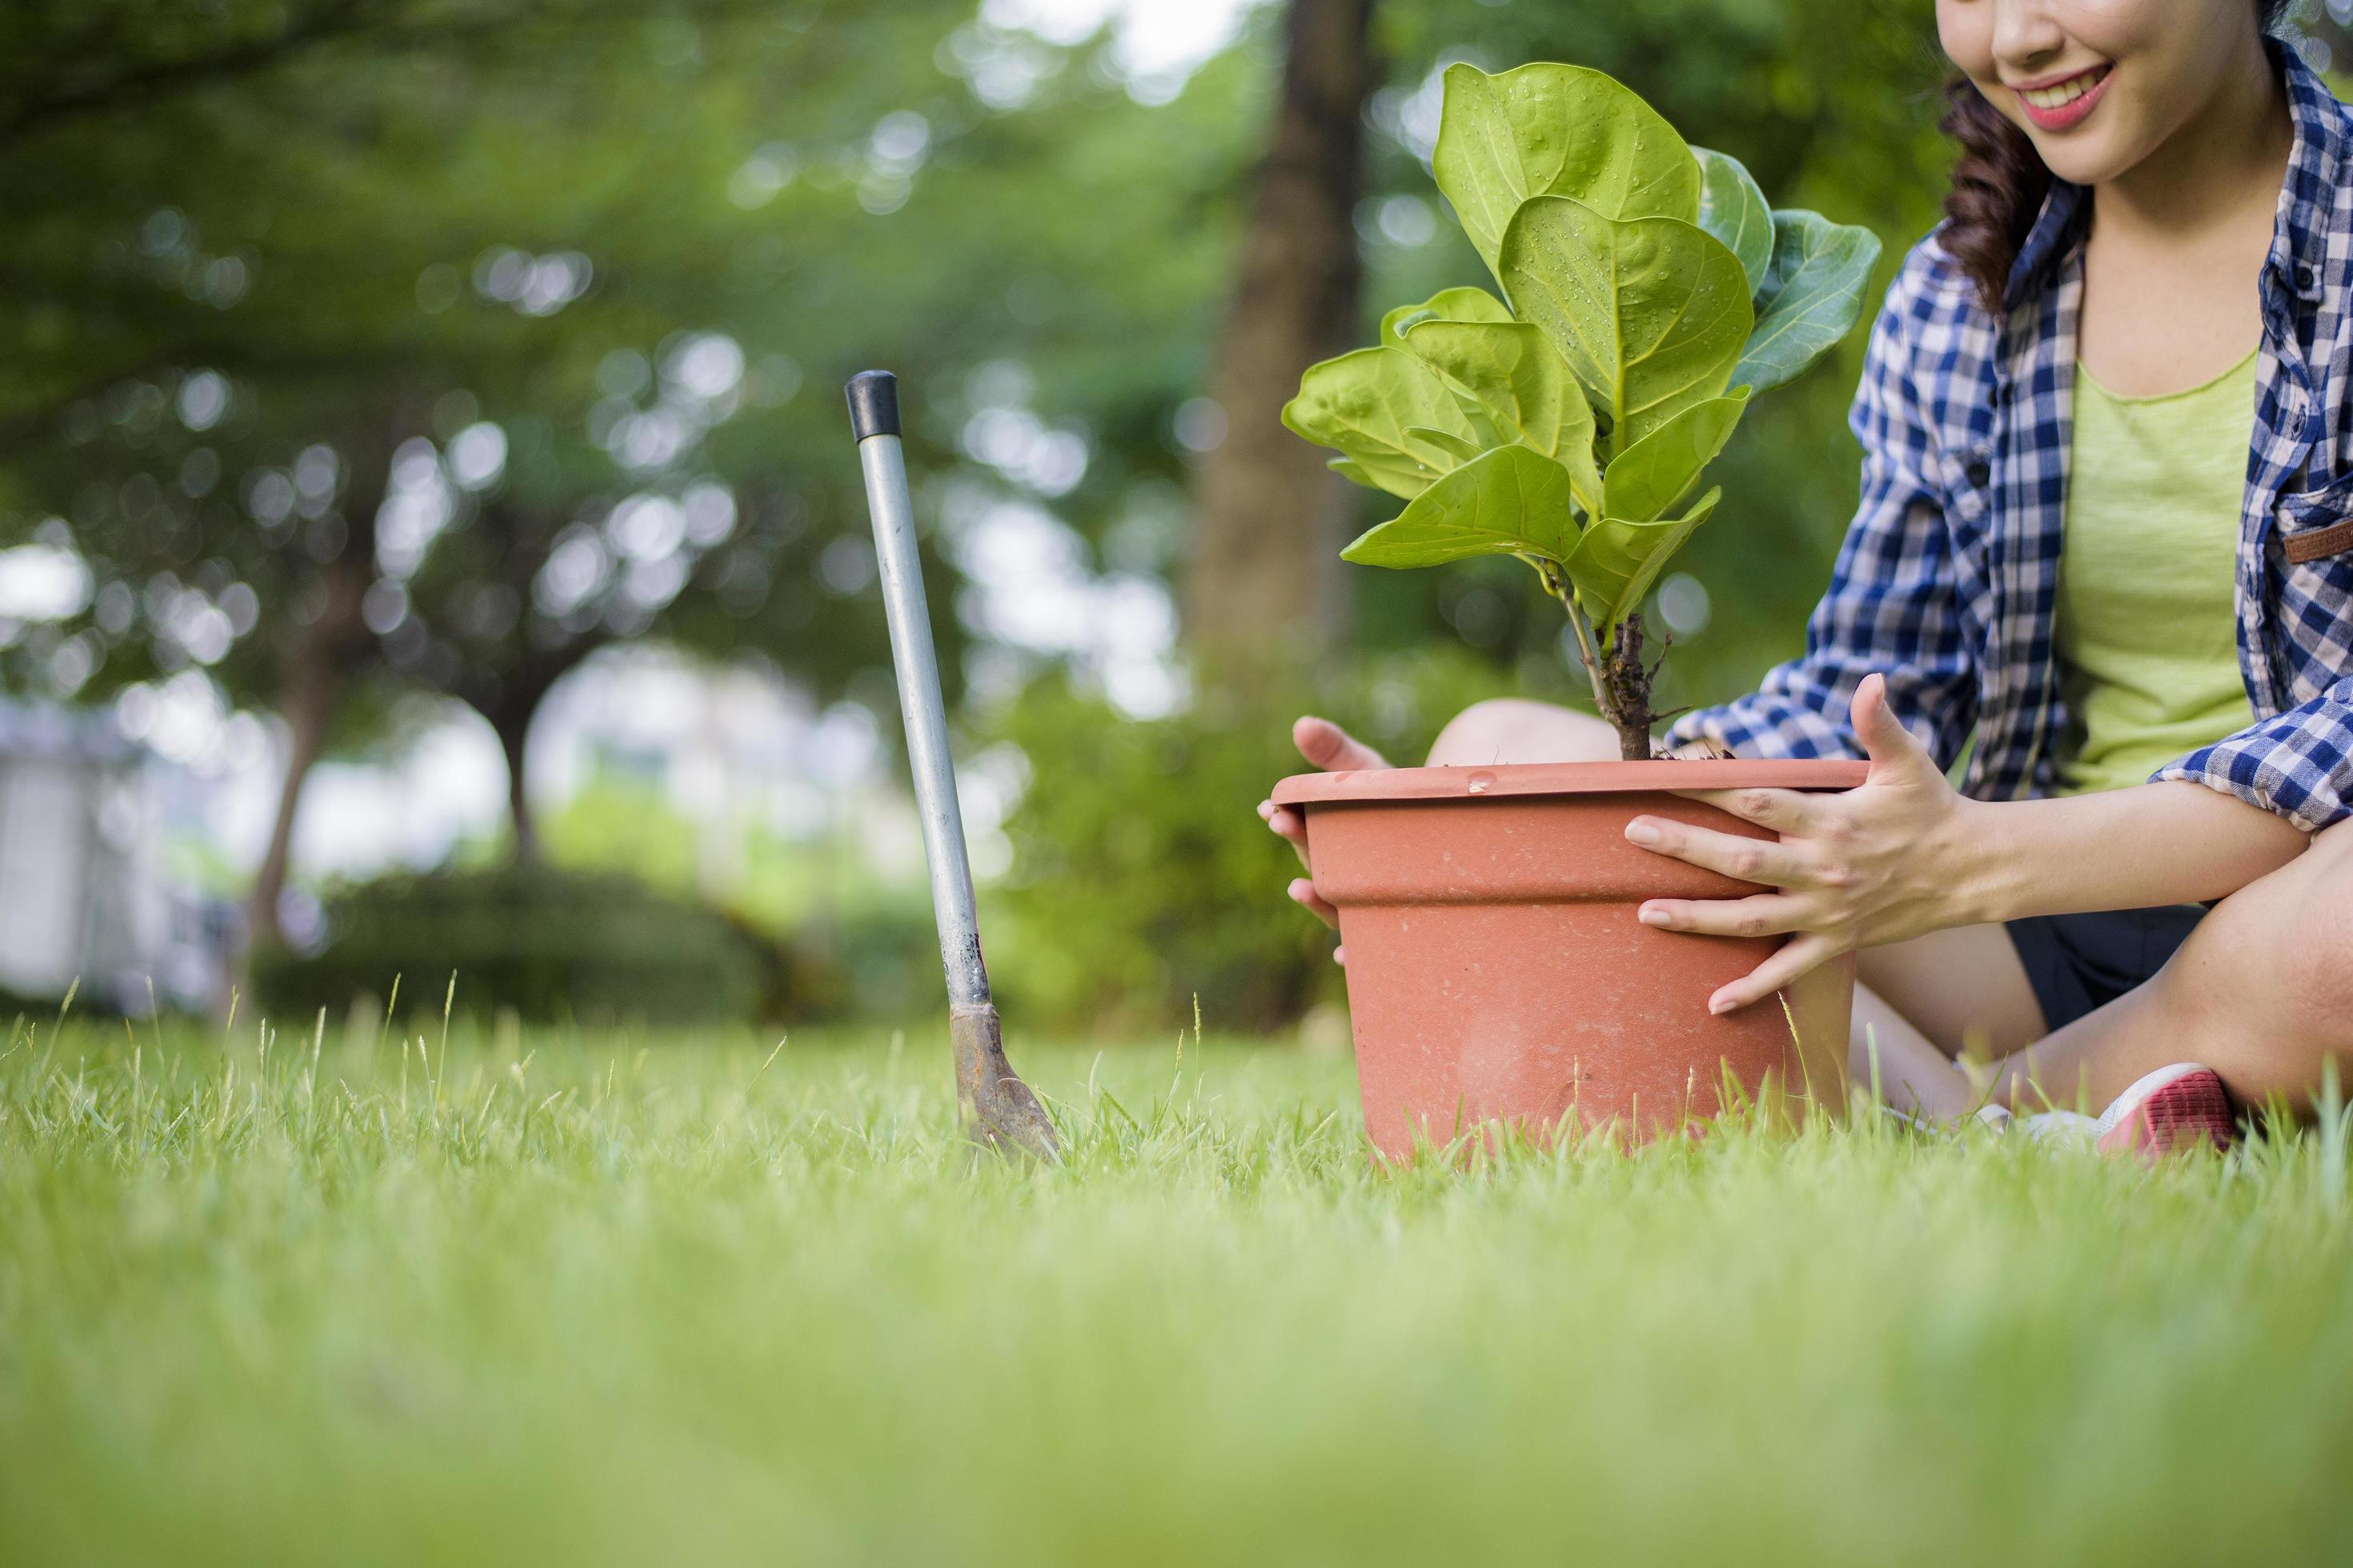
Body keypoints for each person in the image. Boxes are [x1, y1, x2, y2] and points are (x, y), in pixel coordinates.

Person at [1259, 0, 2353, 1157]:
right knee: (1498, 756)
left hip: (2273, 921)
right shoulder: (1956, 293)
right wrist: (1491, 854)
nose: (2017, 37)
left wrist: (1976, 858)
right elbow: (1873, 685)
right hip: (2016, 938)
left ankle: (1936, 1119)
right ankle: (2003, 1136)